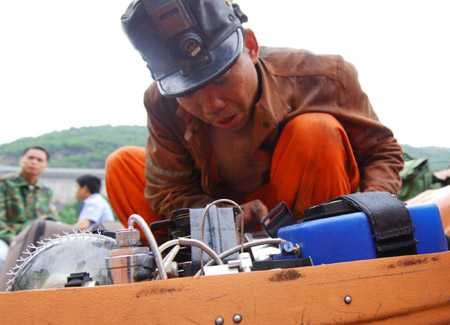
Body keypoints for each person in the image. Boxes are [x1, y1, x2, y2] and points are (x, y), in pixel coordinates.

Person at [105, 0, 403, 236]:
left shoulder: (324, 77)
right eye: (190, 92)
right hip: (220, 223)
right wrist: (223, 213)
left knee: (316, 131)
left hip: (306, 212)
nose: (212, 106)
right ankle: (182, 278)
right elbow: (168, 192)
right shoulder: (161, 103)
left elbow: (381, 152)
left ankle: (323, 257)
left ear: (250, 46)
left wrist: (371, 209)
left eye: (221, 79)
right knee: (122, 166)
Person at [0, 146, 57, 260]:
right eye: (30, 157)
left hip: (36, 242)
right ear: (21, 160)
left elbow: (51, 221)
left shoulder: (46, 191)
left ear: (45, 166)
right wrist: (14, 240)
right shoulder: (4, 184)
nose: (34, 162)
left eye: (39, 160)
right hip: (6, 240)